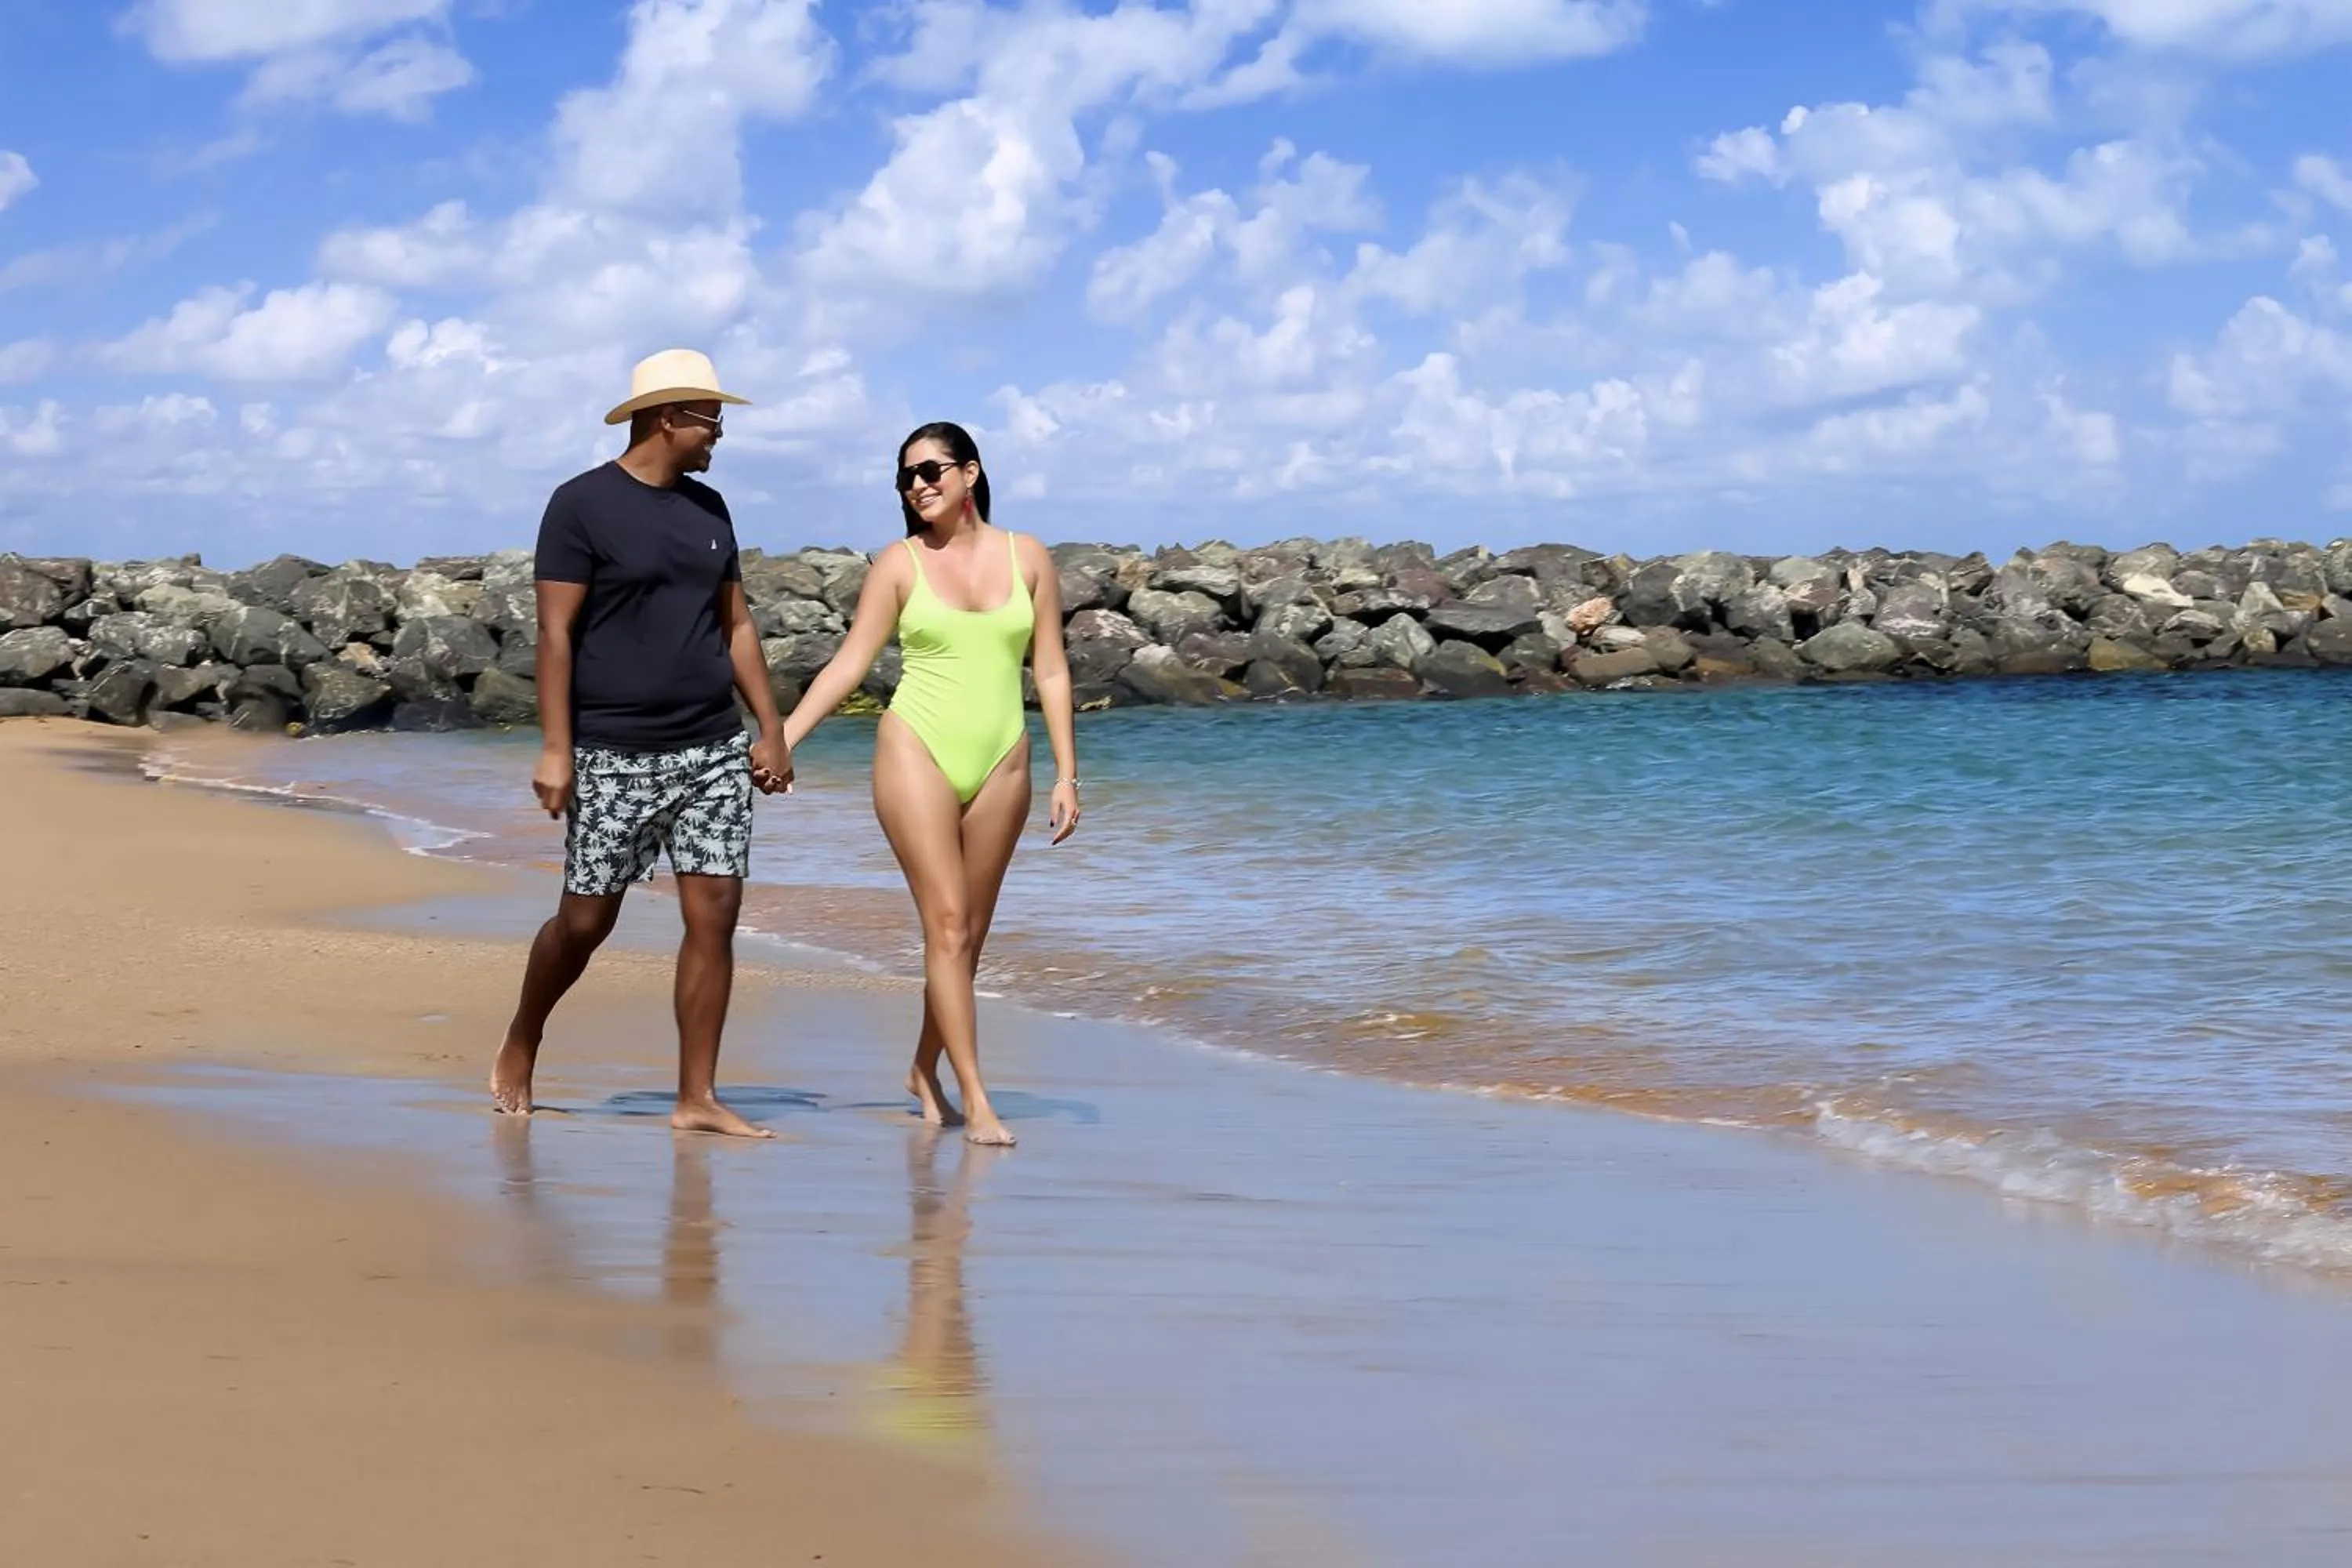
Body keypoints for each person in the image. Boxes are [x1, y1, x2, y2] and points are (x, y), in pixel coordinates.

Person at [489, 348, 793, 1138]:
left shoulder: (710, 509)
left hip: (710, 748)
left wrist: (773, 727)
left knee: (715, 912)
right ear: (669, 418)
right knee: (586, 922)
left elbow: (737, 624)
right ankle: (524, 1035)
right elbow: (556, 632)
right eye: (710, 417)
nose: (719, 432)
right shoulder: (581, 505)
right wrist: (556, 747)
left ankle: (697, 1094)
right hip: (612, 749)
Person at [780, 422, 1080, 1146]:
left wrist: (1068, 774)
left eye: (931, 470)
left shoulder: (1028, 556)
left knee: (968, 935)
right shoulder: (899, 565)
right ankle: (975, 1099)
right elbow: (850, 664)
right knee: (945, 925)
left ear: (970, 473)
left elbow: (1049, 669)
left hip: (1005, 756)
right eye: (906, 477)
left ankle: (923, 1066)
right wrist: (783, 738)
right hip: (916, 747)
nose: (918, 485)